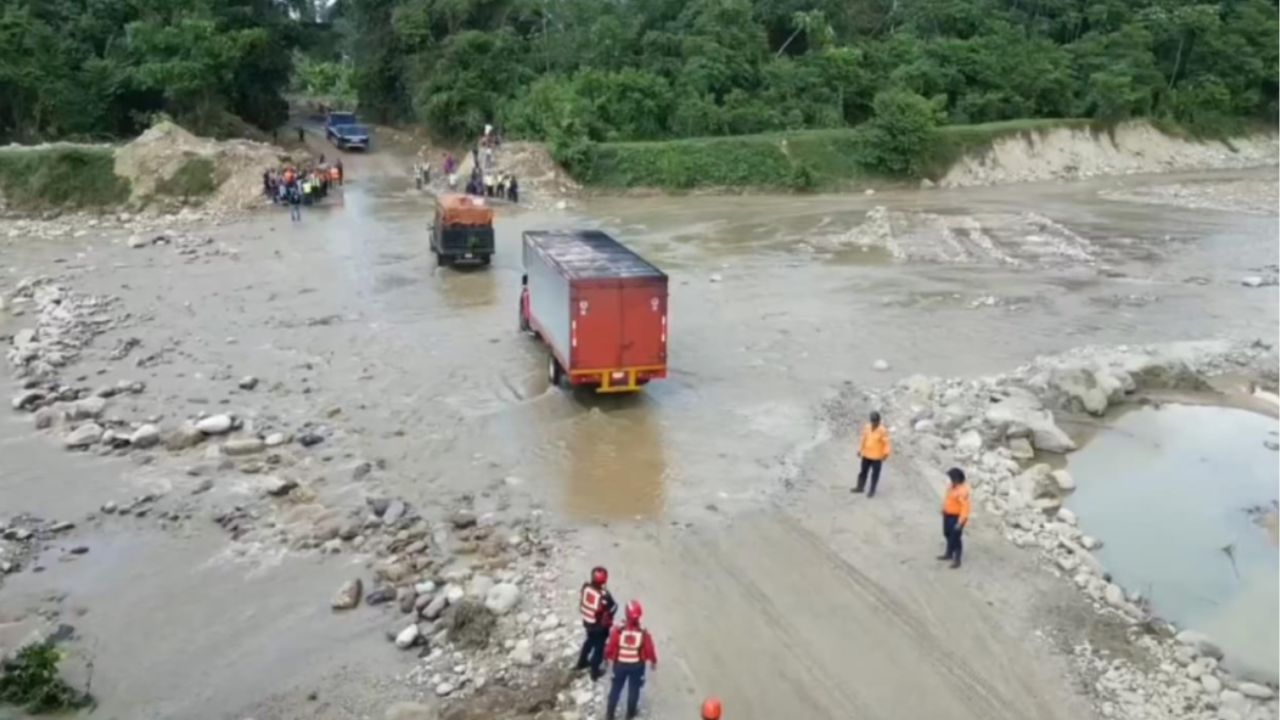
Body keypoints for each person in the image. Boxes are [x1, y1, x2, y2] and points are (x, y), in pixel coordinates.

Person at [605, 600, 658, 720]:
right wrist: (653, 661)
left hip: (619, 666)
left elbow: (610, 646)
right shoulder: (643, 632)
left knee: (616, 689)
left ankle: (610, 714)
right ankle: (630, 713)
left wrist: (606, 657)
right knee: (634, 690)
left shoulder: (618, 630)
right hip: (637, 667)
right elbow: (649, 649)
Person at [575, 566, 616, 681]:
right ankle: (595, 671)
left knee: (589, 641)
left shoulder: (586, 587)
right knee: (599, 648)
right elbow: (613, 607)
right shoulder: (604, 596)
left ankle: (581, 662)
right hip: (599, 627)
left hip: (587, 622)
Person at [852, 411, 891, 497]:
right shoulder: (867, 427)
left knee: (875, 475)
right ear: (871, 421)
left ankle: (872, 491)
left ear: (879, 421)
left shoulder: (883, 431)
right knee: (863, 472)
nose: (874, 423)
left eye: (876, 421)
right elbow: (863, 439)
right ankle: (860, 487)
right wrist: (860, 450)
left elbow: (887, 443)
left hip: (877, 457)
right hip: (866, 455)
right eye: (873, 421)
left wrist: (886, 454)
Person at [937, 468, 970, 568]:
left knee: (955, 538)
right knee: (947, 533)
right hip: (948, 515)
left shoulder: (963, 491)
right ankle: (949, 553)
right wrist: (943, 509)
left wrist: (960, 523)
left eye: (951, 478)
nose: (949, 479)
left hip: (956, 517)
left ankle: (957, 559)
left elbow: (965, 508)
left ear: (957, 479)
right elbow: (948, 499)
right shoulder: (951, 487)